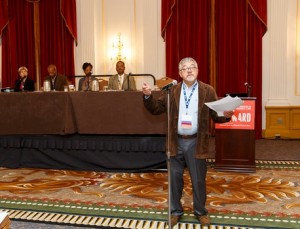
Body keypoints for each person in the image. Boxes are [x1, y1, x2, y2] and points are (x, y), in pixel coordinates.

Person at [142, 57, 234, 227]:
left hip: (196, 143)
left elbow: (216, 116)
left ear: (198, 70)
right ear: (180, 73)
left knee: (198, 179)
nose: (189, 70)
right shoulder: (172, 91)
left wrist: (226, 116)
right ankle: (176, 211)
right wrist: (148, 97)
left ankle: (200, 211)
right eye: (185, 68)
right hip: (175, 142)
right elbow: (155, 109)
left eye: (193, 67)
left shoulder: (208, 90)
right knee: (175, 179)